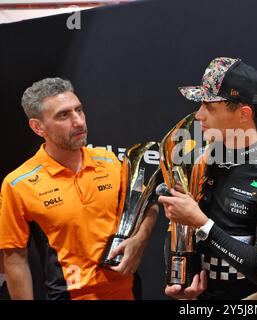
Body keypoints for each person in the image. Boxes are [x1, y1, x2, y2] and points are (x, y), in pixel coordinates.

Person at [0, 77, 157, 300]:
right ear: (38, 127)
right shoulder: (18, 184)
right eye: (64, 115)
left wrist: (139, 242)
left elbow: (149, 207)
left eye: (79, 110)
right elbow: (15, 259)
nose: (79, 121)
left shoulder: (111, 162)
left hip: (129, 292)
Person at [158, 57, 257, 300]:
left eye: (210, 107)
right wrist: (182, 281)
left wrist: (201, 223)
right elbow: (176, 233)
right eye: (201, 104)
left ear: (244, 113)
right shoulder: (194, 161)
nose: (199, 115)